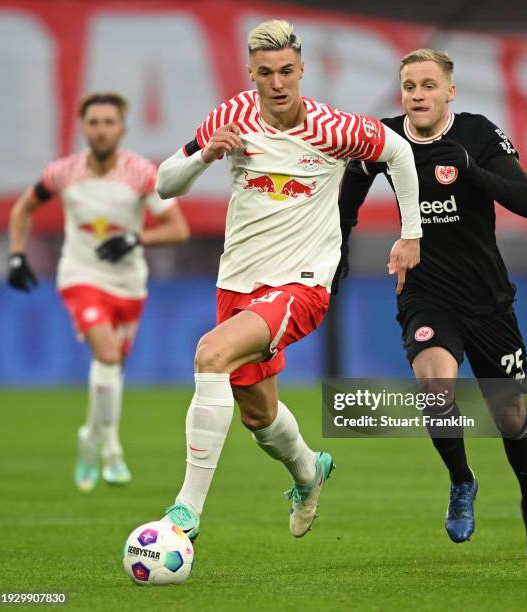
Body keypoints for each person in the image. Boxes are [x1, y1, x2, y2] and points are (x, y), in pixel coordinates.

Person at [155, 19, 422, 541]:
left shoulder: (334, 128)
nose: (277, 84)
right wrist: (206, 156)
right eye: (264, 74)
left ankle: (185, 512)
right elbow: (166, 183)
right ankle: (308, 471)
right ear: (251, 76)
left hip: (302, 285)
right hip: (238, 283)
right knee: (259, 417)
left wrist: (410, 234)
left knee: (210, 354)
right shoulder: (233, 116)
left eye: (285, 72)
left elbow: (399, 152)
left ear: (302, 71)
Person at [337, 49, 527, 560]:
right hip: (425, 291)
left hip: (487, 298)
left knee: (511, 414)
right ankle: (462, 481)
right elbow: (347, 198)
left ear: (449, 92)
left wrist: (474, 172)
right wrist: (336, 250)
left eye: (429, 85)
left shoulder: (478, 134)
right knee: (434, 388)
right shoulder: (384, 138)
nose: (418, 94)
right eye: (410, 85)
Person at [7, 92, 189, 492]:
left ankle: (89, 438)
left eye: (109, 122)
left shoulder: (141, 174)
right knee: (105, 354)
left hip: (128, 284)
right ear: (82, 126)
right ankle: (111, 448)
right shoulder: (63, 172)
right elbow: (23, 209)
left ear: (122, 129)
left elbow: (178, 228)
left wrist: (133, 239)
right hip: (80, 276)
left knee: (111, 371)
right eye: (94, 122)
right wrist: (17, 255)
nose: (101, 129)